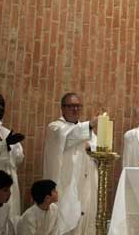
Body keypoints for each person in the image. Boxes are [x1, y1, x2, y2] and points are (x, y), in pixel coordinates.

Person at [43, 93, 99, 235]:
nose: (75, 109)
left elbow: (98, 150)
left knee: (86, 219)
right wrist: (90, 125)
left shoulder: (87, 130)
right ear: (62, 108)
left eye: (78, 106)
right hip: (66, 184)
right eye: (71, 106)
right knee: (65, 221)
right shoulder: (55, 127)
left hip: (86, 184)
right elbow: (68, 137)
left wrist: (92, 149)